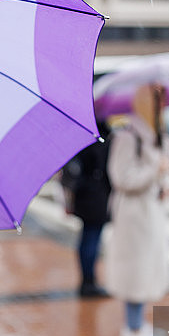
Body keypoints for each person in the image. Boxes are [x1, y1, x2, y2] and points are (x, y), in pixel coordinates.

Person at [105, 83, 169, 336]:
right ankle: (132, 328)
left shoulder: (161, 136)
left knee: (148, 271)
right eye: (157, 100)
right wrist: (153, 169)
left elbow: (166, 173)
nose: (162, 106)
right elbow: (122, 178)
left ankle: (138, 324)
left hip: (153, 213)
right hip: (133, 216)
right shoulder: (128, 137)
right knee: (135, 272)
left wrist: (168, 182)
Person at [66, 119, 112, 298]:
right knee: (92, 238)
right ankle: (88, 282)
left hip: (84, 193)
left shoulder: (81, 133)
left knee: (87, 237)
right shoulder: (101, 137)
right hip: (96, 196)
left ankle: (87, 280)